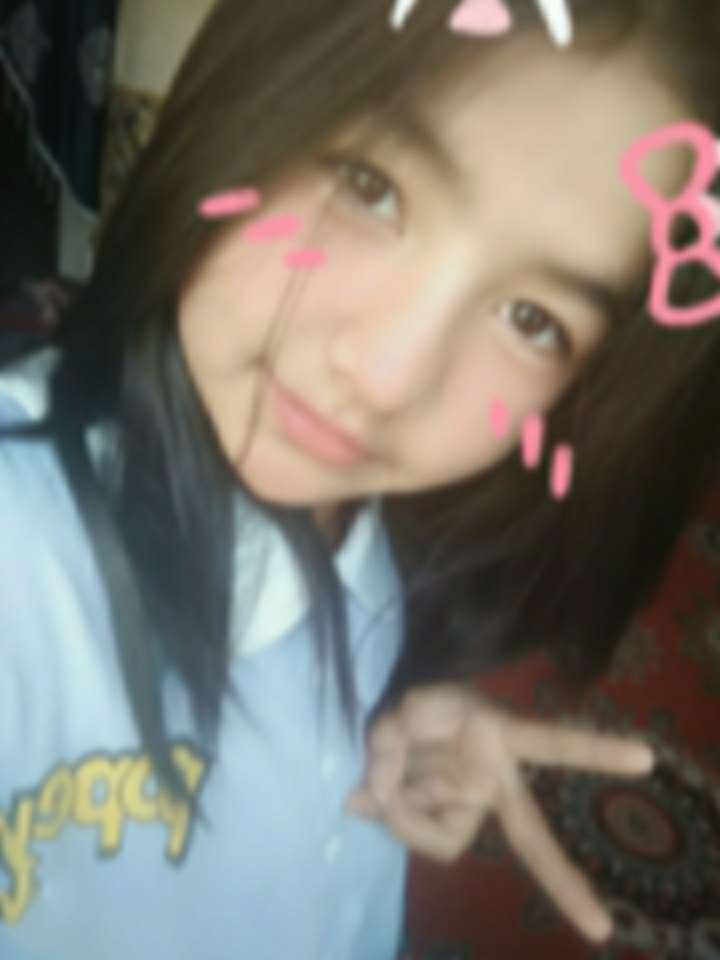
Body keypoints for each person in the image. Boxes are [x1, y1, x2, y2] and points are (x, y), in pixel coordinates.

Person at [1, 0, 719, 957]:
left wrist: (358, 743)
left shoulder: (370, 538)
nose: (387, 378)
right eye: (369, 187)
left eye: (532, 319)